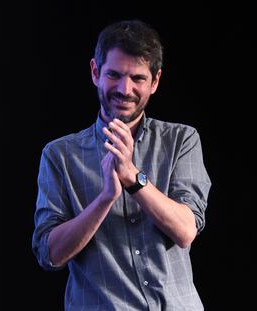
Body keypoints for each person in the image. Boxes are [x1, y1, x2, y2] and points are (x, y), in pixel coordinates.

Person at [32, 19, 212, 310]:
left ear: (154, 82)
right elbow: (50, 253)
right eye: (114, 75)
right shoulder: (59, 155)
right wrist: (105, 198)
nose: (125, 89)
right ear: (95, 72)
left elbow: (185, 230)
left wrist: (132, 177)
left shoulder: (182, 140)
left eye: (138, 78)